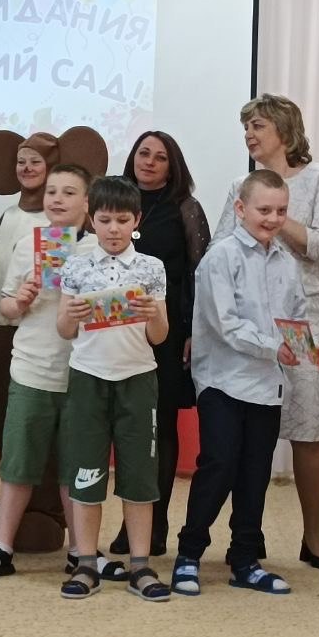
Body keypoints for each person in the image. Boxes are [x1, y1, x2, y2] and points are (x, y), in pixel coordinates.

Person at [171, 170, 319, 598]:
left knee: (255, 474)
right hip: (223, 382)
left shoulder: (285, 261)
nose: (273, 219)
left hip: (267, 386)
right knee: (219, 465)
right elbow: (225, 325)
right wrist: (274, 347)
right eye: (264, 210)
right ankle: (188, 554)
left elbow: (294, 319)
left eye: (281, 211)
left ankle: (245, 560)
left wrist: (310, 350)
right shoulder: (220, 257)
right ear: (240, 209)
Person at [213, 95, 319, 569]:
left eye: (258, 126)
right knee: (249, 426)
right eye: (246, 127)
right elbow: (219, 247)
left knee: (309, 429)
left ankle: (313, 535)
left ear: (285, 132)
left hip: (307, 318)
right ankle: (248, 531)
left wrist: (275, 215)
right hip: (251, 320)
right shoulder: (239, 186)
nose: (249, 134)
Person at [0, 127, 108, 552]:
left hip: (81, 366)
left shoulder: (99, 250)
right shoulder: (25, 237)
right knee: (19, 448)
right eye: (52, 192)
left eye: (68, 192)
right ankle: (4, 543)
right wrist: (20, 300)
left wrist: (87, 304)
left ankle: (78, 544)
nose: (56, 199)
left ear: (87, 201)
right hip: (28, 359)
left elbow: (111, 313)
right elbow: (5, 301)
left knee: (73, 459)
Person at [54, 177, 171, 602]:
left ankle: (140, 565)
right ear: (92, 219)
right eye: (105, 220)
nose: (114, 229)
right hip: (88, 377)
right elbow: (65, 330)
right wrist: (71, 314)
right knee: (86, 472)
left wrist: (152, 313)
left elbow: (159, 336)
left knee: (140, 473)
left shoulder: (151, 267)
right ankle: (86, 562)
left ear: (136, 220)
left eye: (123, 220)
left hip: (137, 378)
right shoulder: (75, 266)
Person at [107, 131, 210, 559]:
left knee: (160, 427)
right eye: (143, 153)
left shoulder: (185, 208)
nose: (149, 161)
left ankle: (157, 521)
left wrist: (194, 330)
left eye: (160, 157)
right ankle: (129, 521)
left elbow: (201, 273)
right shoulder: (113, 202)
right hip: (113, 332)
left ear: (173, 166)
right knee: (122, 426)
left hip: (165, 334)